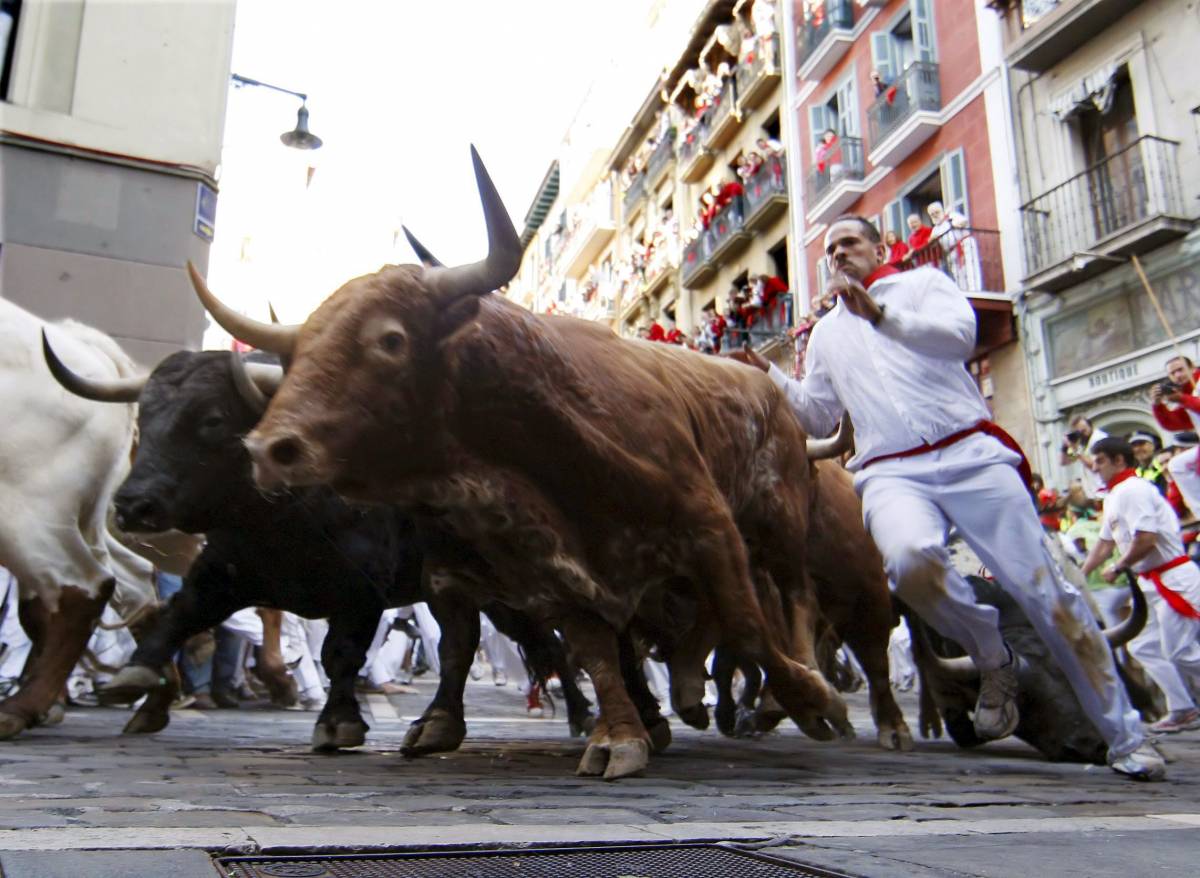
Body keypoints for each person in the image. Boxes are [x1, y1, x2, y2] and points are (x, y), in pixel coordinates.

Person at [732, 214, 1164, 780]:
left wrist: (883, 316)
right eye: (831, 249)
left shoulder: (923, 286)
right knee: (909, 566)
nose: (838, 254)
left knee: (1050, 596)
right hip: (890, 471)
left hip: (970, 455)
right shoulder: (828, 334)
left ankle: (1125, 738)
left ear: (877, 246)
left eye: (850, 243)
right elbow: (818, 412)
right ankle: (992, 653)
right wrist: (772, 377)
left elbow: (960, 337)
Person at [1082, 437, 1200, 733]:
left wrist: (1120, 566)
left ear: (1119, 460)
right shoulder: (1114, 496)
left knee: (1180, 651)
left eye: (1100, 461)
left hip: (1174, 578)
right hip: (1150, 583)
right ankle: (1182, 708)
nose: (1094, 468)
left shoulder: (1133, 490)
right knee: (1143, 645)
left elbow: (1146, 539)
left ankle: (1185, 707)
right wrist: (1081, 574)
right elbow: (1105, 543)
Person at [1151, 355, 1200, 516]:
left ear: (1192, 368)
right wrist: (1157, 405)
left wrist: (1182, 398)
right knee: (1177, 465)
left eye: (1181, 370)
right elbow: (1174, 423)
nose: (1178, 376)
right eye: (1173, 373)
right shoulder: (1187, 393)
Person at [926, 201, 981, 290]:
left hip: (965, 245)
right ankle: (965, 295)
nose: (935, 215)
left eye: (937, 212)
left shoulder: (951, 216)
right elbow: (930, 243)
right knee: (959, 276)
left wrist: (955, 224)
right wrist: (932, 240)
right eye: (932, 214)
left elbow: (964, 221)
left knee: (971, 270)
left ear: (942, 210)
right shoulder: (935, 229)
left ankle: (975, 291)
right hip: (952, 253)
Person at [1060, 415, 1108, 500]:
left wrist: (1075, 450)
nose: (1083, 434)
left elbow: (1094, 465)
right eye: (1079, 432)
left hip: (1103, 491)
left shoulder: (1099, 439)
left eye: (1084, 430)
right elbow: (1065, 462)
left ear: (1090, 426)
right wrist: (1065, 447)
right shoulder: (1082, 445)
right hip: (1091, 493)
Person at [1130, 432, 1168, 496]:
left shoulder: (1163, 464)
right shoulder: (1135, 473)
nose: (1138, 449)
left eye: (1142, 444)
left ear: (1153, 446)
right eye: (1134, 446)